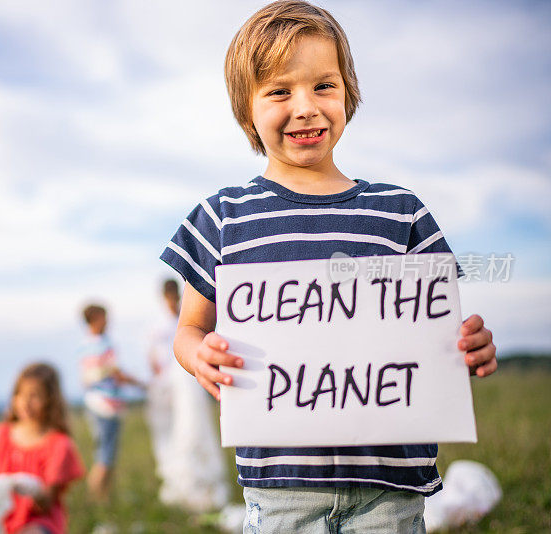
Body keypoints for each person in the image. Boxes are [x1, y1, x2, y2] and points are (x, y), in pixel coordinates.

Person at [160, 2, 498, 532]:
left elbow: (435, 327)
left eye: (324, 86)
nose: (306, 107)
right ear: (246, 108)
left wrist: (467, 348)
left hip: (390, 489)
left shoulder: (400, 211)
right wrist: (198, 354)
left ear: (349, 94)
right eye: (279, 91)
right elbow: (189, 329)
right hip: (281, 491)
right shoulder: (222, 216)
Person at [0, 363, 85, 534]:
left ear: (50, 400)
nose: (25, 402)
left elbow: (45, 505)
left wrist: (33, 490)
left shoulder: (59, 445)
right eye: (20, 394)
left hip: (35, 522)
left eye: (35, 396)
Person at [146, 279, 229, 512]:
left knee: (194, 422)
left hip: (187, 377)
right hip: (169, 381)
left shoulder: (186, 319)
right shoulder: (160, 325)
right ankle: (179, 471)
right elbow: (152, 356)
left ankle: (200, 473)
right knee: (175, 426)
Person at [77, 303, 140, 501]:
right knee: (106, 455)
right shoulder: (104, 344)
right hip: (107, 405)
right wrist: (141, 384)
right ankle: (97, 498)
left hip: (92, 402)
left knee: (102, 451)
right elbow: (117, 373)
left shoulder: (84, 345)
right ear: (95, 318)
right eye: (104, 317)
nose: (108, 321)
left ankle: (102, 497)